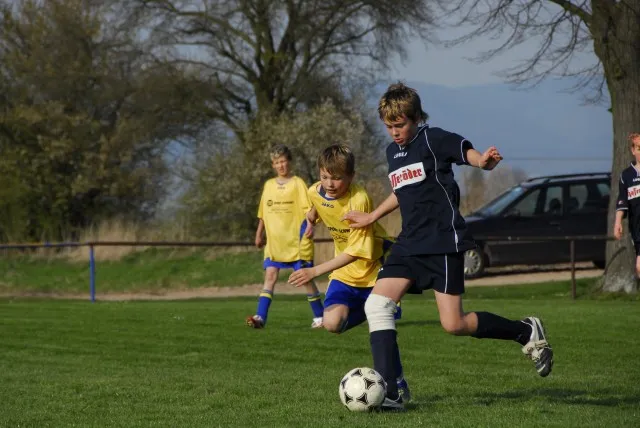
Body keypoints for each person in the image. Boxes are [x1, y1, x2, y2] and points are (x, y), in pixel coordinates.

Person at [343, 82, 554, 411]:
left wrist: (482, 162)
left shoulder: (433, 138)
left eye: (400, 124)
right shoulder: (392, 153)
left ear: (416, 118)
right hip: (409, 243)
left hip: (442, 241)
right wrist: (372, 216)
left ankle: (524, 331)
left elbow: (464, 151)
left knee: (454, 324)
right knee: (377, 305)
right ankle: (392, 392)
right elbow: (401, 190)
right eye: (388, 126)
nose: (394, 132)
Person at [287, 144, 410, 401]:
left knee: (382, 329)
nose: (329, 184)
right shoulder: (314, 191)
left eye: (337, 178)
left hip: (374, 270)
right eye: (324, 176)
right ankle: (371, 311)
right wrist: (311, 220)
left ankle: (397, 381)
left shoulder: (359, 200)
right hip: (345, 275)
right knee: (331, 324)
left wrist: (314, 271)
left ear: (351, 176)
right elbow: (317, 205)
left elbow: (355, 252)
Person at [247, 144, 324, 329]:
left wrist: (311, 226)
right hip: (275, 243)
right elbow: (263, 213)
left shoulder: (298, 183)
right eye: (277, 162)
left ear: (289, 162)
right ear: (273, 165)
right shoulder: (269, 185)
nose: (281, 165)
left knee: (305, 279)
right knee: (270, 276)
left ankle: (320, 317)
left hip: (296, 242)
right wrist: (259, 234)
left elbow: (309, 210)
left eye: (283, 161)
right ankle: (260, 317)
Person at [614, 133, 640, 277]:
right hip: (636, 228)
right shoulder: (626, 175)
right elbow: (622, 200)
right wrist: (618, 222)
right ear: (633, 150)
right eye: (639, 148)